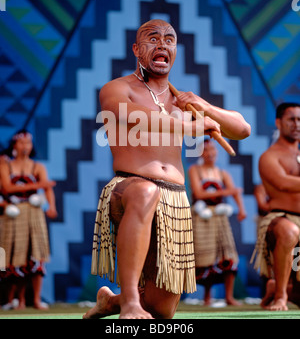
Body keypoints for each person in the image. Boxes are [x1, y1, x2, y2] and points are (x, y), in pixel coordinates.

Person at [84, 19, 251, 319]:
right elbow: (133, 117)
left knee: (162, 311)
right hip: (129, 187)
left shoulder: (182, 101)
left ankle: (111, 302)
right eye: (153, 38)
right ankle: (131, 301)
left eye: (169, 40)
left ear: (175, 51)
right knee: (146, 192)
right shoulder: (117, 89)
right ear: (136, 49)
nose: (162, 44)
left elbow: (242, 129)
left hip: (175, 199)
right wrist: (189, 125)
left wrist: (204, 106)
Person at [0, 130, 57, 310]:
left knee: (36, 254)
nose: (26, 146)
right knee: (15, 255)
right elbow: (7, 188)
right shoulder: (5, 166)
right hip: (14, 213)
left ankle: (37, 299)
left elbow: (48, 189)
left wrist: (52, 206)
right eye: (22, 143)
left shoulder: (38, 167)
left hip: (34, 214)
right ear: (14, 145)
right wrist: (39, 185)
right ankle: (18, 300)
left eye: (29, 143)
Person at [251, 102, 300, 311]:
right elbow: (282, 182)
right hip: (281, 220)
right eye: (292, 119)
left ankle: (279, 287)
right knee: (290, 231)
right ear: (278, 122)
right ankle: (280, 295)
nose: (297, 124)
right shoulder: (269, 156)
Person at [188, 139, 246, 306]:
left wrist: (242, 209)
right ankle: (207, 296)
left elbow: (235, 193)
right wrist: (229, 191)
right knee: (204, 256)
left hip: (220, 218)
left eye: (212, 150)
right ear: (200, 153)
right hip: (201, 217)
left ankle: (229, 297)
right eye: (206, 150)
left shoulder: (222, 173)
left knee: (227, 254)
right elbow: (198, 194)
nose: (210, 153)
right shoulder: (195, 170)